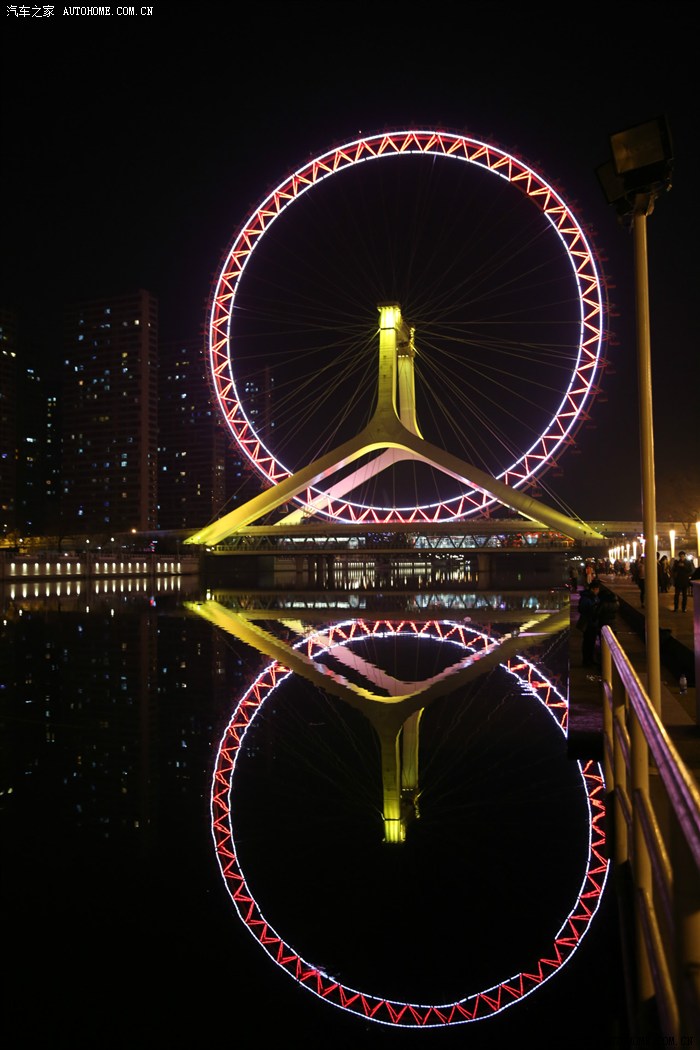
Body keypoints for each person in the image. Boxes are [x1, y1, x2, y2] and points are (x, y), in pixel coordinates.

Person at [577, 578, 602, 667]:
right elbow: (582, 609)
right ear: (593, 589)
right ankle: (586, 660)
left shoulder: (594, 597)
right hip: (588, 623)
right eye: (597, 589)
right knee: (588, 642)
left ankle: (590, 659)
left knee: (591, 642)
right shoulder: (587, 598)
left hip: (593, 623)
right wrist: (592, 610)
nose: (598, 591)